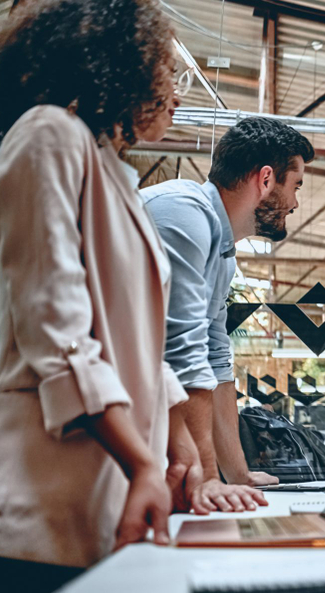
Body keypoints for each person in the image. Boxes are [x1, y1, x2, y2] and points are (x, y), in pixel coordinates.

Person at [0, 0, 221, 589]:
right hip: (46, 492)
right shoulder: (48, 133)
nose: (175, 93)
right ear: (119, 61)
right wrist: (143, 460)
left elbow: (134, 340)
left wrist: (177, 446)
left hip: (108, 485)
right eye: (165, 71)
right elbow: (57, 328)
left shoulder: (104, 165)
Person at [141, 117, 315, 501]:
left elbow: (215, 357)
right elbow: (182, 351)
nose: (296, 202)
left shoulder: (222, 255)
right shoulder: (183, 213)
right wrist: (205, 478)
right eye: (296, 185)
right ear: (266, 179)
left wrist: (237, 475)